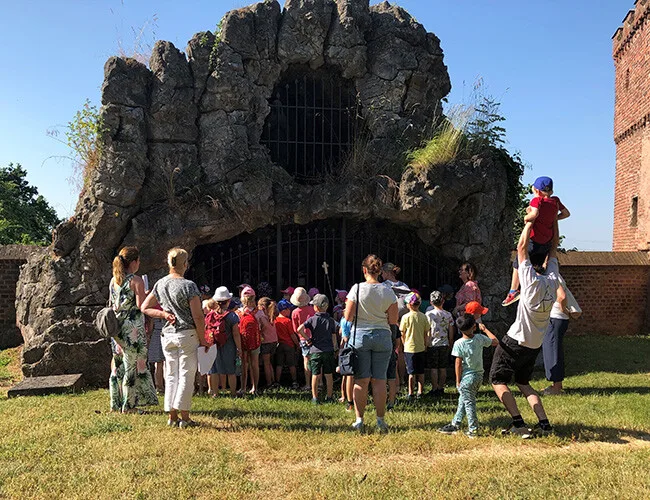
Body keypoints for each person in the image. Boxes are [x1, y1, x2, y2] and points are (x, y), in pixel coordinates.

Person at [490, 221, 560, 438]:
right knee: (523, 383)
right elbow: (554, 248)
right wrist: (553, 223)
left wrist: (529, 222)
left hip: (515, 340)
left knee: (497, 380)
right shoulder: (553, 281)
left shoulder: (530, 284)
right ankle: (545, 425)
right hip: (534, 344)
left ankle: (519, 424)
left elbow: (521, 247)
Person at [141, 247, 209, 428]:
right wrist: (203, 339)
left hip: (167, 334)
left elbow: (145, 307)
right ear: (185, 264)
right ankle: (185, 417)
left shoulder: (160, 284)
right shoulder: (189, 286)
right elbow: (198, 316)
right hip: (187, 334)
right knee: (186, 374)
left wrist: (163, 314)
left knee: (171, 374)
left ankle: (172, 416)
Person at [345, 254, 398, 433]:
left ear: (364, 270)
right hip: (383, 336)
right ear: (380, 271)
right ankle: (380, 420)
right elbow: (393, 320)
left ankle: (359, 420)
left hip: (360, 336)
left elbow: (348, 316)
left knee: (361, 380)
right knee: (380, 380)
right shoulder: (388, 291)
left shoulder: (357, 288)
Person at [503, 176, 570, 306]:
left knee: (518, 263)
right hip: (546, 243)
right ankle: (535, 291)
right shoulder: (555, 201)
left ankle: (513, 290)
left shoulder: (537, 200)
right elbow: (566, 213)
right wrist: (553, 218)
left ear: (536, 190)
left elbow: (534, 214)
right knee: (536, 267)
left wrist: (526, 217)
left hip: (533, 241)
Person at [108, 246, 159, 413]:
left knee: (118, 363)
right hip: (132, 328)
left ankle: (116, 402)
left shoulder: (113, 280)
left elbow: (113, 304)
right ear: (134, 262)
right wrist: (147, 294)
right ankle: (129, 405)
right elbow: (141, 305)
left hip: (117, 327)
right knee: (132, 364)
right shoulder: (136, 281)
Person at [438, 314, 498, 438]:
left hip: (466, 379)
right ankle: (455, 423)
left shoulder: (458, 343)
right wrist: (485, 329)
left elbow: (458, 364)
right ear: (474, 327)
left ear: (459, 329)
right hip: (478, 376)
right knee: (463, 400)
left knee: (469, 403)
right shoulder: (480, 338)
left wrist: (458, 380)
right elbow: (495, 341)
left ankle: (473, 429)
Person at [297, 294, 338, 404]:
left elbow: (299, 329)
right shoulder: (331, 320)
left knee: (315, 374)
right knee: (329, 375)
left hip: (315, 350)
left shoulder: (312, 319)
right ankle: (329, 397)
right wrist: (335, 348)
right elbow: (334, 336)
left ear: (316, 307)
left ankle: (315, 398)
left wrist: (308, 339)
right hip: (328, 350)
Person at [542, 282, 581, 395]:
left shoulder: (552, 275)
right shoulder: (552, 275)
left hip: (555, 317)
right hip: (556, 318)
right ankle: (557, 385)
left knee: (552, 351)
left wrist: (564, 310)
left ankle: (556, 388)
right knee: (554, 350)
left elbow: (562, 296)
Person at [206, 287, 242, 398]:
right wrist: (239, 348)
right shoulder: (232, 316)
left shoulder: (210, 315)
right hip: (228, 346)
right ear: (228, 301)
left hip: (213, 344)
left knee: (214, 370)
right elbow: (236, 334)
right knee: (230, 370)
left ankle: (215, 393)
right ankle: (233, 393)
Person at [399, 292, 429, 401]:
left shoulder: (405, 317)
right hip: (420, 347)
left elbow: (402, 332)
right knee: (421, 371)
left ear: (408, 305)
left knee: (411, 372)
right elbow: (426, 332)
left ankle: (411, 393)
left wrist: (404, 343)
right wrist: (425, 344)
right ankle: (420, 391)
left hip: (409, 347)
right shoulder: (423, 317)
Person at [425, 290, 455, 397]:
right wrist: (450, 341)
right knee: (443, 367)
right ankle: (441, 387)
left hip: (432, 343)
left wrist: (426, 343)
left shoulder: (429, 314)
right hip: (444, 343)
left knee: (433, 368)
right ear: (443, 301)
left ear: (431, 302)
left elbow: (427, 330)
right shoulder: (448, 314)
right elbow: (451, 329)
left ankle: (434, 388)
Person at [291, 287, 315, 391]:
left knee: (306, 361)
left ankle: (308, 384)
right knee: (317, 360)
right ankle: (319, 383)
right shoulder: (312, 309)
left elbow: (295, 328)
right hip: (314, 337)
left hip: (303, 338)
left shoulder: (295, 312)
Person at [238, 286, 261, 396]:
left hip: (242, 341)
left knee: (244, 364)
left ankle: (243, 387)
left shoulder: (238, 312)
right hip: (255, 341)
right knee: (254, 364)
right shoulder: (259, 312)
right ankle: (254, 387)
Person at [275, 299, 299, 388]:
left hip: (279, 345)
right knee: (292, 364)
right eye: (289, 309)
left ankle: (277, 381)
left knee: (279, 364)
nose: (290, 311)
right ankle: (294, 381)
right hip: (289, 345)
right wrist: (297, 344)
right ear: (284, 310)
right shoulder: (288, 321)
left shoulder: (275, 320)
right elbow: (292, 334)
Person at [257, 296, 279, 389]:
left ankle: (269, 383)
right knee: (269, 362)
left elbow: (259, 329)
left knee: (266, 363)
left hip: (265, 341)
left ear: (262, 307)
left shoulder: (261, 316)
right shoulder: (272, 315)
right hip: (274, 341)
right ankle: (273, 380)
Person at [147, 309, 166, 394]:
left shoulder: (153, 308)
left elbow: (150, 326)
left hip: (157, 333)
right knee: (160, 362)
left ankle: (160, 386)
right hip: (162, 333)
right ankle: (160, 386)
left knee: (159, 362)